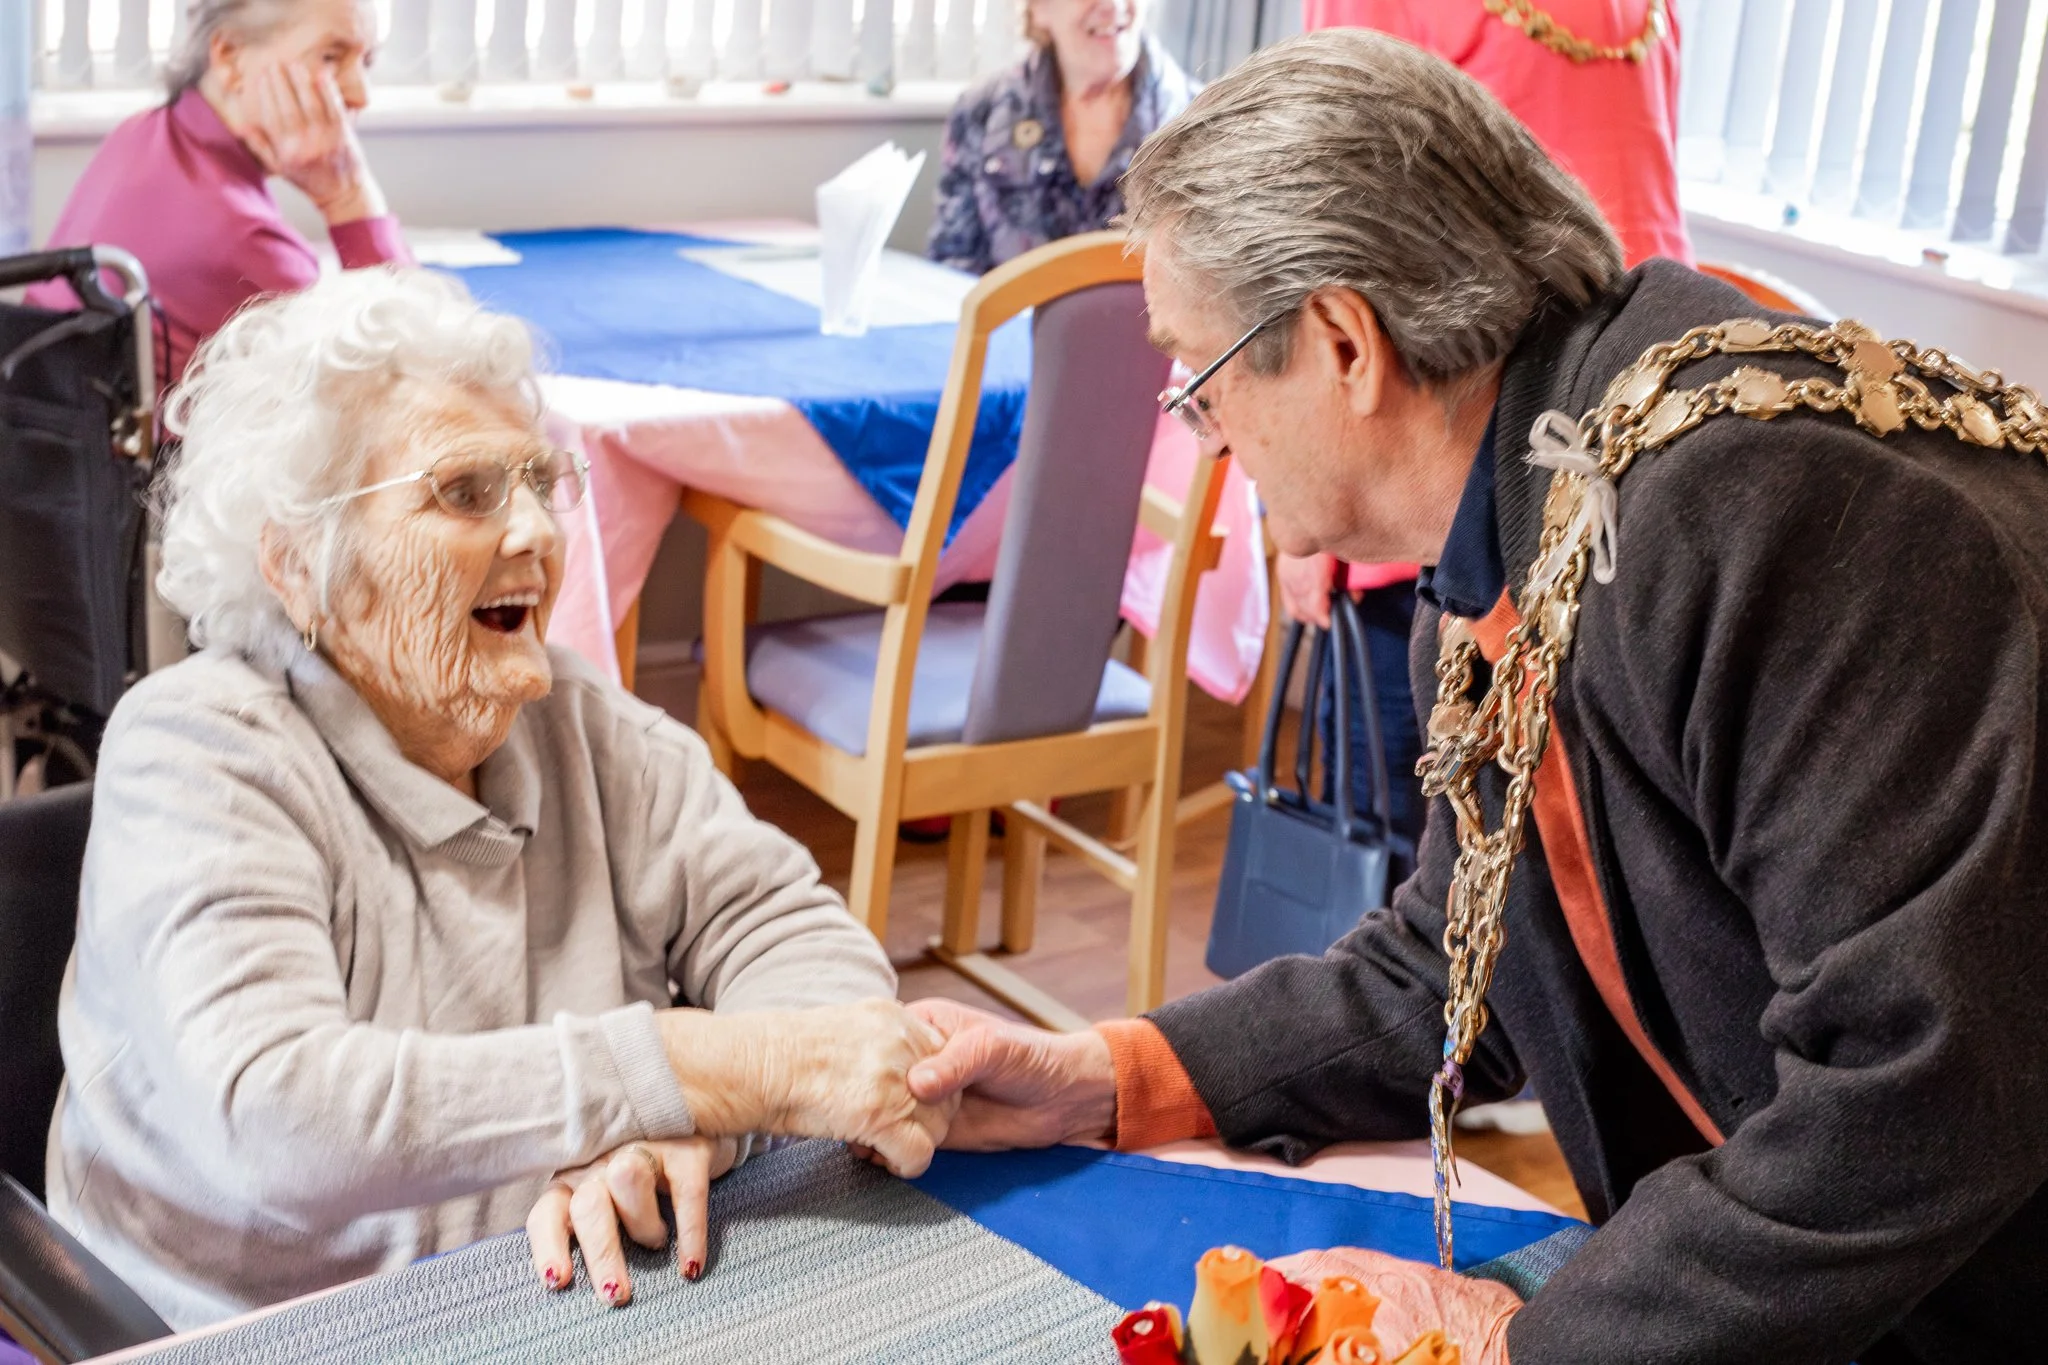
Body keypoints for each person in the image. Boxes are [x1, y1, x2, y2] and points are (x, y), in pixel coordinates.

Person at [902, 30, 2048, 1362]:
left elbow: (1921, 1096)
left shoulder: (1755, 511)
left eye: (1200, 384)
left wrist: (1529, 1344)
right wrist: (1108, 1078)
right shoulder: (1531, 498)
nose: (1204, 439)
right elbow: (1453, 970)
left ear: (1341, 343)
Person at [49, 268, 953, 1331]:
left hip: (558, 1302)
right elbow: (276, 1117)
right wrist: (705, 1066)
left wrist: (681, 1138)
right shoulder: (196, 750)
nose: (535, 533)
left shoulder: (579, 724)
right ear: (301, 567)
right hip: (242, 1330)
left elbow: (803, 955)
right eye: (467, 492)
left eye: (538, 480)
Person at [1280, 0, 1693, 869]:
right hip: (1633, 426)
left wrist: (1304, 520)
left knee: (1407, 837)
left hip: (1465, 433)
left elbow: (1327, 228)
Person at [27, 0, 413, 385]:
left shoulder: (139, 132)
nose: (361, 94)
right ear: (229, 56)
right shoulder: (247, 242)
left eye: (367, 62)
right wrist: (347, 197)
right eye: (331, 56)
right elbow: (415, 368)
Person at [926, 0, 1195, 276]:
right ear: (1038, 8)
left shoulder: (1202, 122)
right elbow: (952, 269)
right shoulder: (980, 112)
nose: (1113, 6)